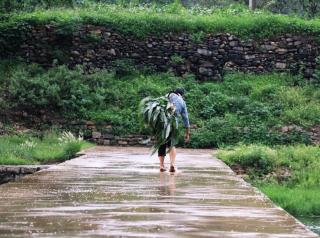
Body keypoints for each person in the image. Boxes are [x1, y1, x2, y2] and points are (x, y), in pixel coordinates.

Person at [158, 88, 190, 173]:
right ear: (180, 94)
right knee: (171, 145)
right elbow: (186, 119)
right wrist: (187, 133)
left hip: (161, 123)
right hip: (172, 124)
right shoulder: (182, 102)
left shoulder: (168, 95)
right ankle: (172, 164)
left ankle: (161, 166)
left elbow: (159, 105)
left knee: (162, 144)